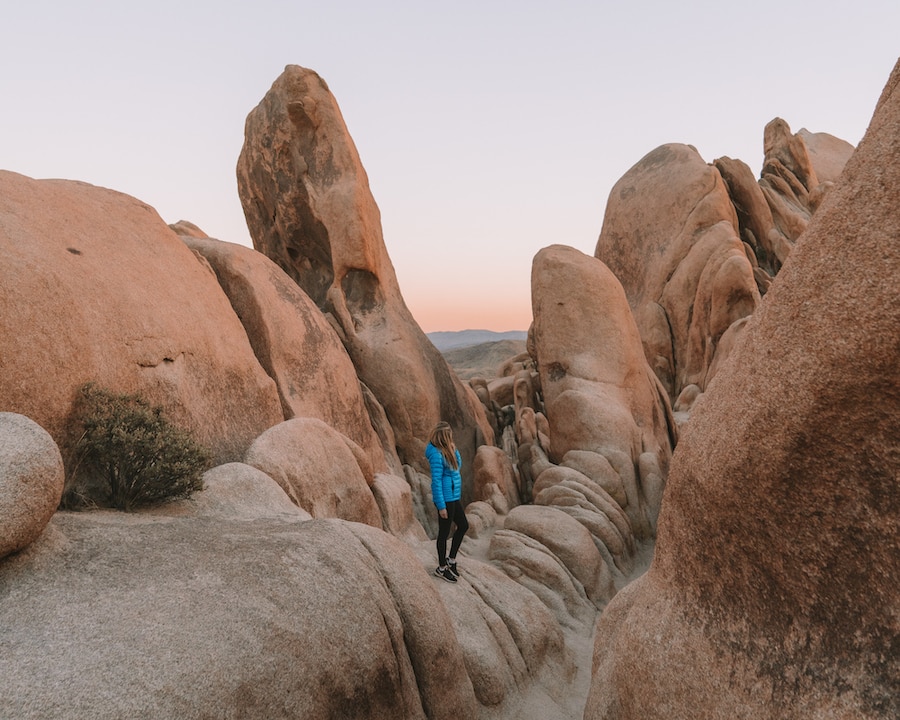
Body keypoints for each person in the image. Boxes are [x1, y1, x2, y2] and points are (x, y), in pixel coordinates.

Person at [426, 421, 468, 583]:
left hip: (453, 495)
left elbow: (458, 466)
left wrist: (454, 449)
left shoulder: (447, 449)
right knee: (444, 533)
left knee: (463, 525)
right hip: (445, 497)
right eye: (449, 436)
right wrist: (441, 506)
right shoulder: (436, 454)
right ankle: (442, 568)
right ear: (444, 437)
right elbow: (435, 481)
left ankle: (451, 560)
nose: (451, 438)